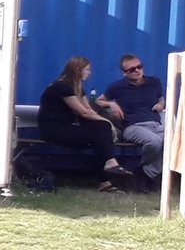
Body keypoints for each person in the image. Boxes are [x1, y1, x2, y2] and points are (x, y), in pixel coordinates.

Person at [39, 55, 131, 190]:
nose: (89, 72)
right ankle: (107, 173)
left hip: (68, 127)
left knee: (100, 134)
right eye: (87, 69)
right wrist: (108, 122)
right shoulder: (62, 87)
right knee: (101, 132)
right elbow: (83, 112)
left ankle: (107, 176)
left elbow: (88, 109)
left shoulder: (78, 88)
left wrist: (103, 122)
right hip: (54, 129)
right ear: (77, 70)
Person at [95, 53, 164, 183]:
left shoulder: (154, 82)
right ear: (124, 72)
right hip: (133, 126)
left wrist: (161, 104)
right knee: (154, 142)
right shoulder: (117, 86)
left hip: (155, 123)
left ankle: (144, 174)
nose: (137, 70)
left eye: (139, 67)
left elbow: (160, 98)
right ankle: (141, 171)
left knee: (173, 143)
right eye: (132, 70)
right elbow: (97, 101)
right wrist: (111, 103)